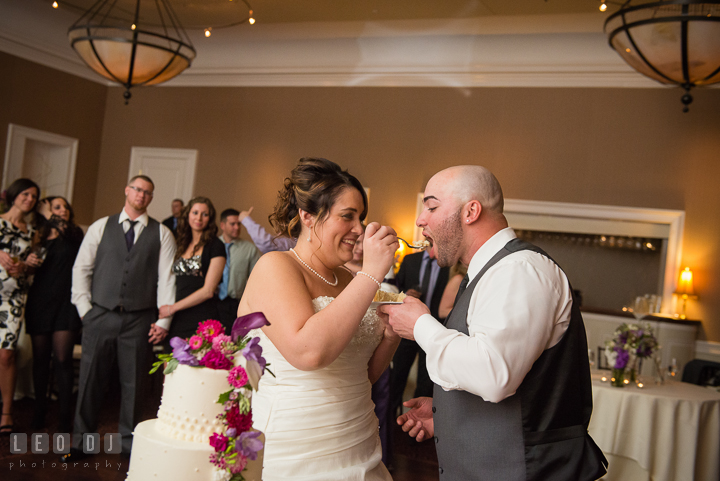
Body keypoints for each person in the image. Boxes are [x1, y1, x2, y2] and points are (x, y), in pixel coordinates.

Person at [381, 166, 607, 480]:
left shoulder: (519, 270)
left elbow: (494, 374)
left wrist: (421, 325)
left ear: (471, 211)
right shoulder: (488, 272)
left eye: (431, 207)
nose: (420, 220)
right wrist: (449, 412)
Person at [238, 157, 399, 480]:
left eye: (361, 217)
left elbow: (359, 375)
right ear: (307, 216)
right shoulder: (276, 267)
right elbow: (308, 352)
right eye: (347, 217)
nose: (359, 229)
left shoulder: (351, 280)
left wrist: (391, 338)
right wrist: (372, 274)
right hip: (297, 446)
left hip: (358, 441)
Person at [68, 175, 176, 459]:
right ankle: (82, 443)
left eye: (147, 193)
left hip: (139, 320)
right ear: (127, 190)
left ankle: (129, 446)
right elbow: (81, 269)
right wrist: (85, 310)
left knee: (135, 385)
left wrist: (163, 321)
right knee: (90, 381)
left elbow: (167, 279)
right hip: (99, 315)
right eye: (137, 189)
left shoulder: (162, 233)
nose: (141, 195)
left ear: (151, 198)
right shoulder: (100, 227)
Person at [25, 196, 84, 432]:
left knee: (62, 360)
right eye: (57, 207)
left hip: (66, 304)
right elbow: (27, 270)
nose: (64, 211)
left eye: (66, 207)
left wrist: (53, 217)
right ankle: (39, 412)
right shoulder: (38, 234)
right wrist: (28, 262)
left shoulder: (74, 234)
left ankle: (64, 416)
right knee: (40, 361)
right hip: (39, 302)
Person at [0, 178, 41, 435]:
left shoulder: (32, 230)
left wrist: (25, 265)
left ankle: (6, 414)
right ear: (14, 194)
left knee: (7, 354)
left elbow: (32, 263)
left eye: (34, 196)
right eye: (25, 194)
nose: (29, 199)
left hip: (13, 298)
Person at [389, 248, 449, 418]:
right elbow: (395, 288)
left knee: (426, 381)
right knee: (397, 376)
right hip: (406, 327)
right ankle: (391, 420)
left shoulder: (447, 264)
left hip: (434, 329)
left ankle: (417, 421)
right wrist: (405, 295)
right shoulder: (410, 260)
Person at [159, 197, 225, 340]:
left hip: (201, 318)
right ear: (188, 214)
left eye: (204, 214)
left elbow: (208, 291)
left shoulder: (216, 245)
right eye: (195, 212)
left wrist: (172, 308)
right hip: (176, 318)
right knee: (169, 361)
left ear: (210, 218)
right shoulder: (180, 242)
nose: (199, 218)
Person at [216, 208, 261, 331]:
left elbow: (257, 279)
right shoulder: (212, 245)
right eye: (232, 224)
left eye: (239, 224)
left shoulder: (249, 249)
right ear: (222, 225)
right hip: (212, 301)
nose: (237, 227)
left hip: (235, 304)